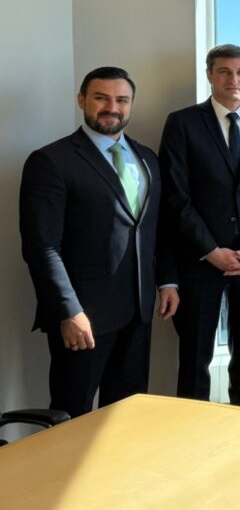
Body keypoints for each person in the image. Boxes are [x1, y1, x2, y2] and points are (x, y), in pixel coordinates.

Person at [20, 67, 178, 417]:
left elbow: (157, 228)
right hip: (83, 317)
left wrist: (167, 280)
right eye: (101, 98)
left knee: (127, 415)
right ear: (82, 100)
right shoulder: (51, 161)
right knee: (72, 415)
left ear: (131, 104)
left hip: (138, 312)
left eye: (121, 100)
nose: (112, 108)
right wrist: (68, 310)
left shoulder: (147, 158)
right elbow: (41, 247)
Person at [160, 44, 240, 408]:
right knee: (195, 360)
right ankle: (194, 432)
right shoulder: (182, 123)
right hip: (200, 261)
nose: (234, 79)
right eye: (224, 71)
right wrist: (211, 251)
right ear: (209, 75)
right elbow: (176, 197)